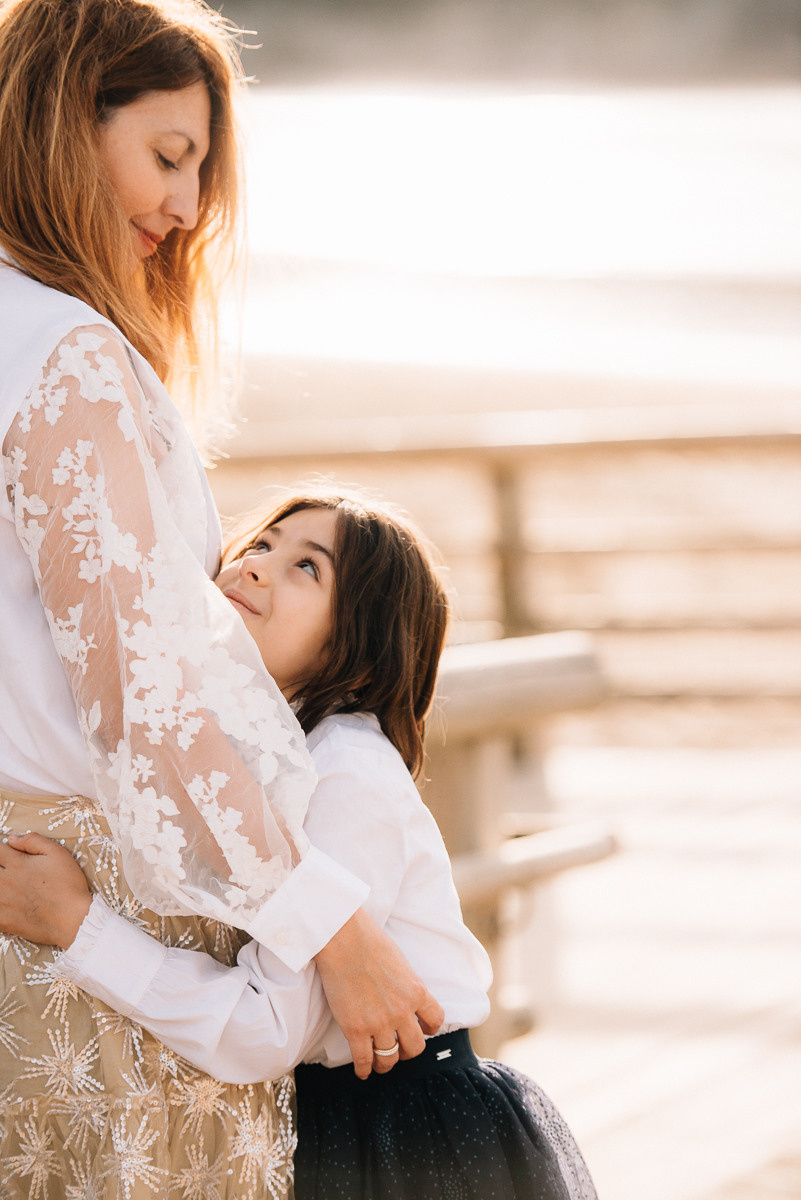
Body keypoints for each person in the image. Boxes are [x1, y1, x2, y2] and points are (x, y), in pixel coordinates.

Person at [0, 1, 440, 1195]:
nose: (188, 208)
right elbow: (141, 694)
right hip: (87, 931)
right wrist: (335, 931)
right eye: (169, 155)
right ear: (60, 123)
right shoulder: (63, 354)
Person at [0, 487, 600, 1200]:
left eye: (306, 567)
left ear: (360, 646)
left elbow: (266, 1028)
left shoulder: (346, 769)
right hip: (347, 1124)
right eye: (260, 544)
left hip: (410, 1137)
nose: (255, 565)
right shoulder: (256, 757)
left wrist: (79, 927)